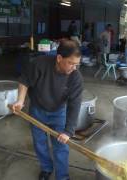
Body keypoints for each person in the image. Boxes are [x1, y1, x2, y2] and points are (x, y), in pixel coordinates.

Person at [11, 40, 83, 180]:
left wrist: (68, 131)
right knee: (40, 144)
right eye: (71, 63)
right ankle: (46, 168)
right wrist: (20, 100)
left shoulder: (75, 77)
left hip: (59, 112)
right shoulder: (40, 63)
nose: (74, 68)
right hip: (37, 110)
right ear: (59, 58)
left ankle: (62, 176)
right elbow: (24, 80)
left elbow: (75, 104)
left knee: (61, 146)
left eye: (77, 64)